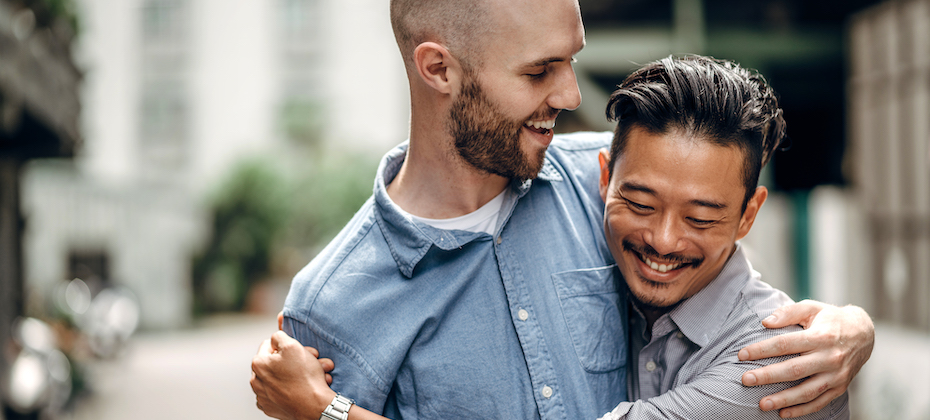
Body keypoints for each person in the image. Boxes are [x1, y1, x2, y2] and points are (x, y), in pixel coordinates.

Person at [250, 0, 874, 419]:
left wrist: (852, 326)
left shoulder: (610, 178)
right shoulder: (332, 306)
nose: (573, 93)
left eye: (571, 58)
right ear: (438, 69)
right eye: (541, 69)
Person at [594, 55, 848, 418]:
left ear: (748, 216)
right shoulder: (629, 294)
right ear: (604, 179)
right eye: (640, 204)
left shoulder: (777, 359)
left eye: (699, 219)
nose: (663, 241)